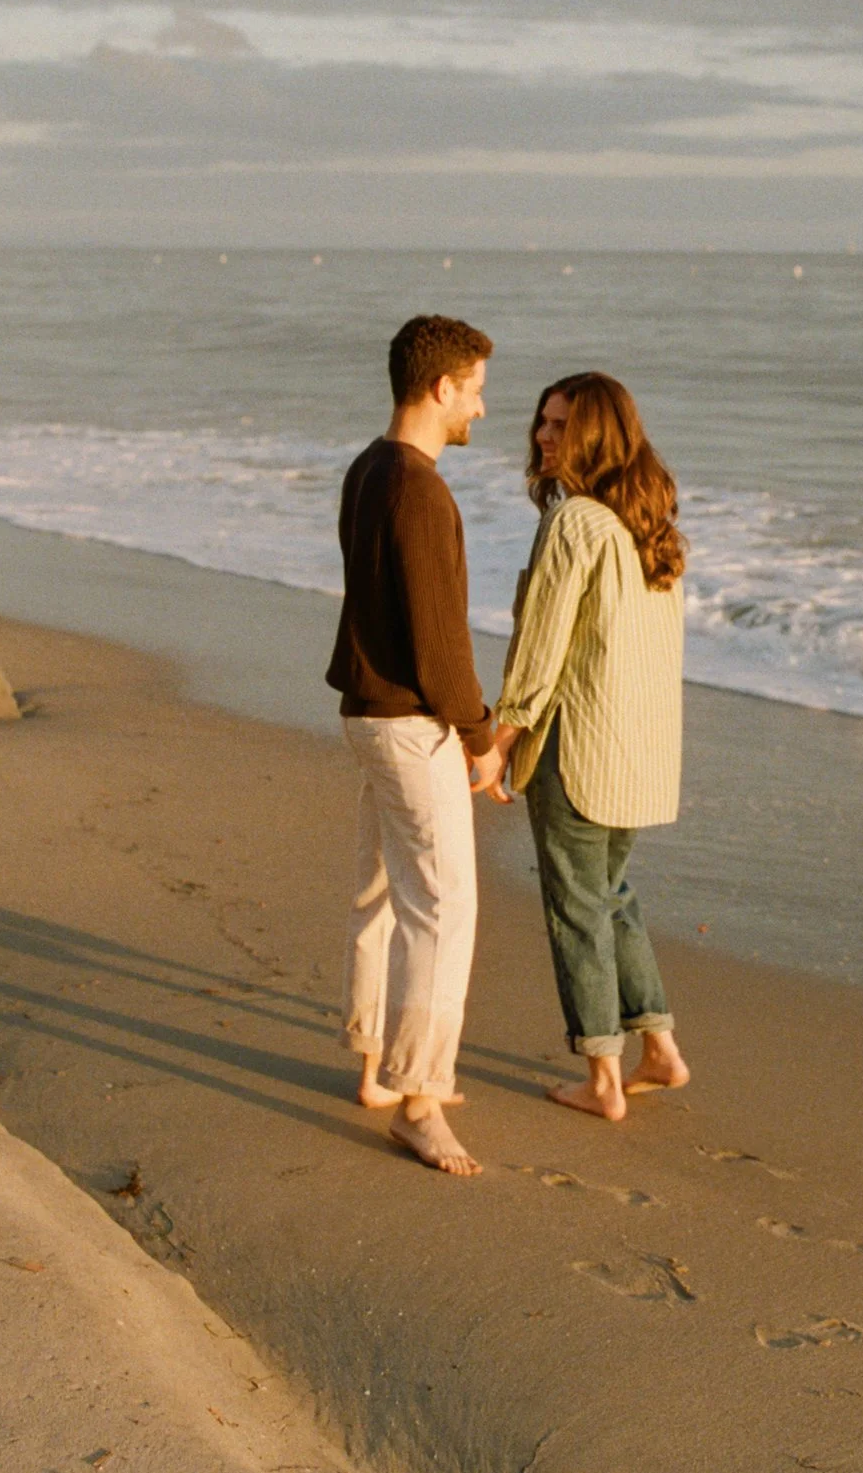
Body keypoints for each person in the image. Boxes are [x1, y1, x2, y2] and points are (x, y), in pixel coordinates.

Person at [326, 314, 505, 1176]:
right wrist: (482, 738)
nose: (481, 405)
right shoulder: (421, 489)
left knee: (382, 892)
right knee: (443, 904)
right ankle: (420, 1098)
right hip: (406, 721)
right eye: (474, 388)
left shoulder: (368, 467)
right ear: (440, 388)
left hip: (365, 711)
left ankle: (375, 1066)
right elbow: (441, 645)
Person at [487, 373, 692, 1122]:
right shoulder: (648, 524)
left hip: (576, 749)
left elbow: (541, 648)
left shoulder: (574, 521)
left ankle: (603, 1078)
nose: (544, 436)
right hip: (639, 755)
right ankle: (659, 1049)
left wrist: (500, 738)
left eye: (561, 425)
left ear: (597, 436)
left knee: (576, 906)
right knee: (610, 895)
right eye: (542, 422)